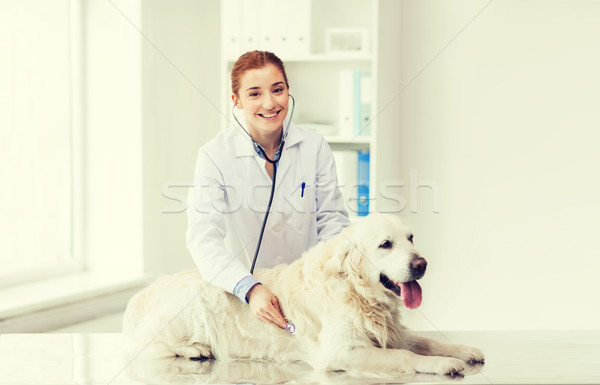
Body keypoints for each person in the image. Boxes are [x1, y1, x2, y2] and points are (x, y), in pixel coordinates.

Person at [186, 50, 350, 329]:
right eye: (254, 94)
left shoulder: (314, 147)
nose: (270, 103)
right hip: (246, 302)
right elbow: (203, 239)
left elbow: (333, 223)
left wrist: (332, 279)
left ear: (288, 91)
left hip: (311, 295)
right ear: (236, 101)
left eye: (278, 89)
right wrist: (248, 287)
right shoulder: (215, 155)